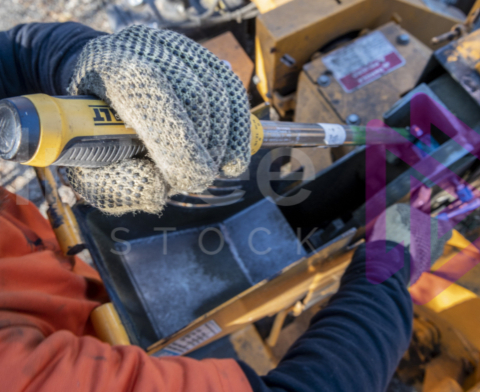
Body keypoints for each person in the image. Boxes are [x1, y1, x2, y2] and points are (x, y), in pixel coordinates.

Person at [0, 22, 447, 392]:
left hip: (56, 266)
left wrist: (89, 62)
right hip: (92, 330)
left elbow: (16, 55)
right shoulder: (24, 374)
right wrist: (389, 269)